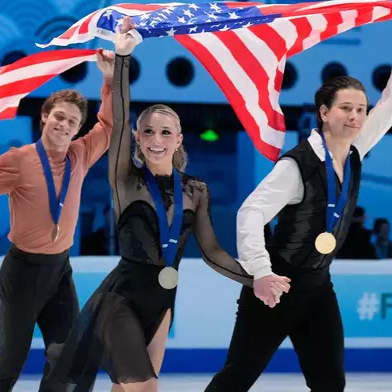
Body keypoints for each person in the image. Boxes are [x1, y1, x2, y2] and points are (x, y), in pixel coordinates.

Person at [44, 17, 288, 392]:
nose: (156, 139)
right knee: (145, 388)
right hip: (121, 298)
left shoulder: (196, 190)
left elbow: (212, 251)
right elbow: (121, 119)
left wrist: (255, 278)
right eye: (149, 132)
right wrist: (123, 61)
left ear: (179, 139)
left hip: (163, 300)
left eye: (165, 132)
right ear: (139, 139)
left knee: (126, 389)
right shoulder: (126, 179)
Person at [204, 3, 392, 391]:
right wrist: (262, 273)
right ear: (324, 112)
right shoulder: (297, 165)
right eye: (345, 109)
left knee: (329, 383)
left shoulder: (355, 148)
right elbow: (250, 212)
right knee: (235, 379)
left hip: (319, 287)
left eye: (360, 109)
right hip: (277, 288)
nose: (356, 116)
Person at [0, 48, 115, 391]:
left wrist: (108, 79)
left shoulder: (81, 154)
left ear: (78, 129)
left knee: (64, 355)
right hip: (23, 272)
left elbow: (109, 124)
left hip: (60, 270)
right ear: (45, 116)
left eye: (73, 122)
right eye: (59, 116)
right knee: (11, 360)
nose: (65, 125)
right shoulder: (19, 159)